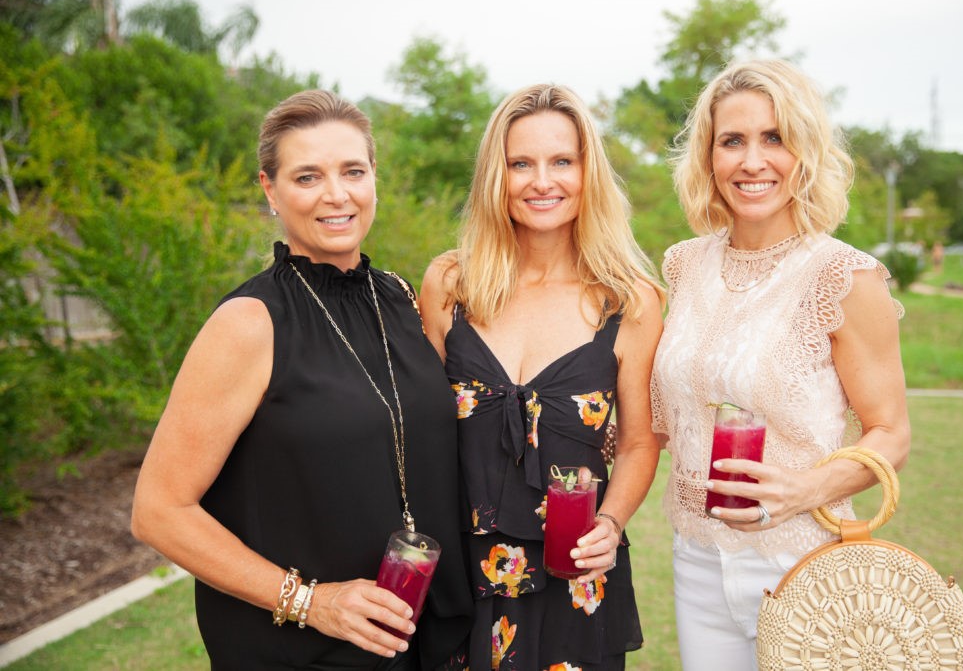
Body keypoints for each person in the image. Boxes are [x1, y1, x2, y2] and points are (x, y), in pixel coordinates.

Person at [131, 89, 472, 669]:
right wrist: (312, 602)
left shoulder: (400, 297)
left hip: (420, 641)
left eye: (352, 171)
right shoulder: (248, 323)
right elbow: (159, 510)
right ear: (270, 189)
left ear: (374, 180)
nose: (336, 195)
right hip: (306, 651)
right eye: (308, 176)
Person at [651, 58, 912, 670]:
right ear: (708, 157)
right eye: (732, 141)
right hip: (696, 559)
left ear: (806, 151)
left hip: (799, 560)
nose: (751, 161)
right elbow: (659, 422)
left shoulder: (845, 276)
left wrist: (809, 489)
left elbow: (892, 432)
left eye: (775, 138)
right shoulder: (684, 265)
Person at [418, 83, 665, 670]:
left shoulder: (629, 301)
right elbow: (421, 433)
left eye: (562, 161)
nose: (541, 181)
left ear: (589, 172)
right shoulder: (451, 285)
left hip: (573, 574)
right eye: (520, 163)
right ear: (494, 177)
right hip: (459, 579)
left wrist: (611, 522)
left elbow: (636, 443)